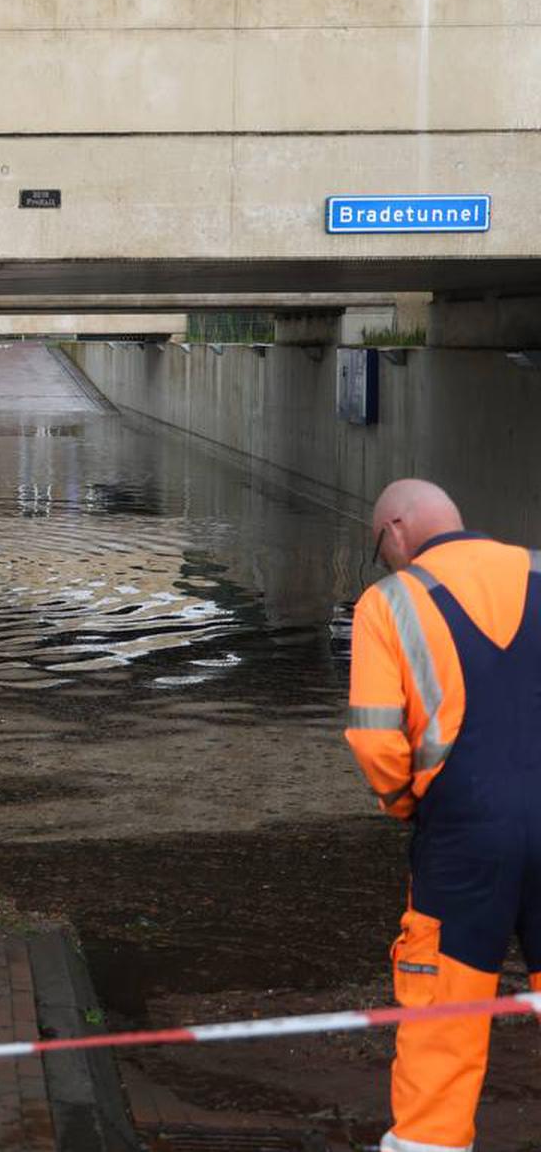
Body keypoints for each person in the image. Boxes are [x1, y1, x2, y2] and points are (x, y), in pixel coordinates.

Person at [345, 478, 541, 1152]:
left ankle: (429, 1145)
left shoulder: (388, 602)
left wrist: (408, 803)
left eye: (381, 548)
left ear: (395, 531)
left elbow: (375, 739)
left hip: (463, 835)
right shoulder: (540, 572)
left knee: (445, 1010)